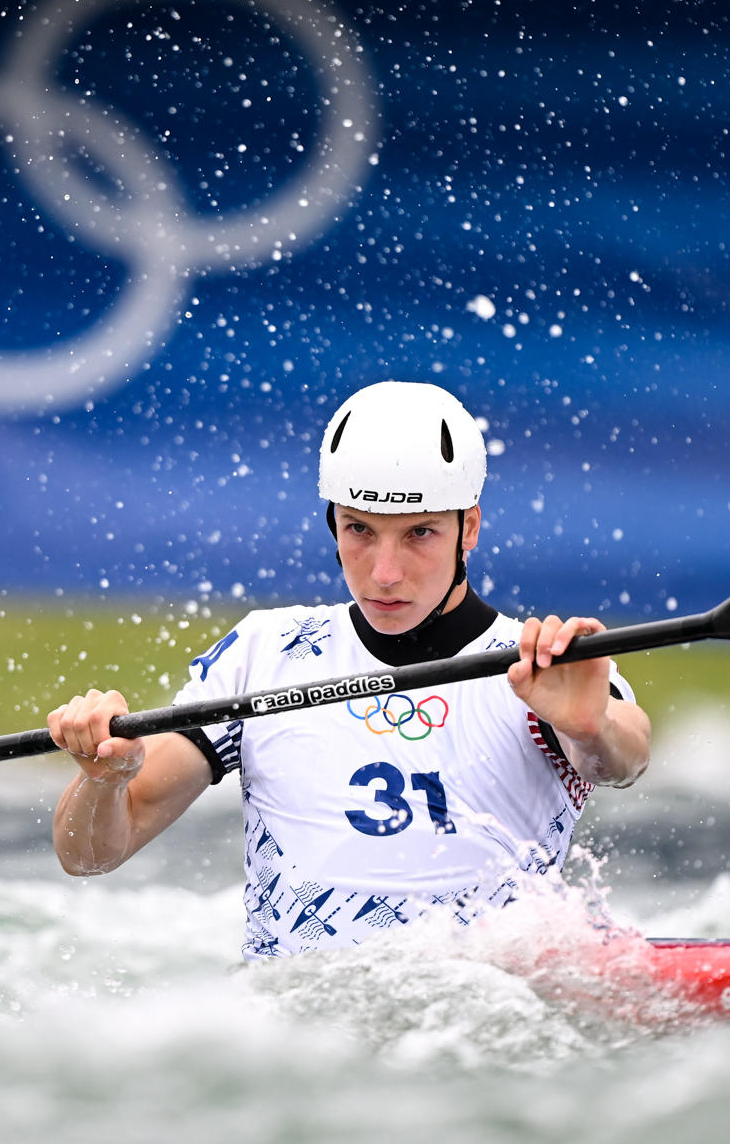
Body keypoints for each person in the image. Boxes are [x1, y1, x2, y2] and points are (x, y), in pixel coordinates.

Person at [46, 380, 651, 958]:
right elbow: (91, 856)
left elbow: (624, 757)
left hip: (475, 1023)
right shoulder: (265, 650)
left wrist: (591, 726)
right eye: (360, 530)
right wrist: (105, 779)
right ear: (331, 520)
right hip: (303, 1033)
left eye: (419, 533)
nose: (384, 572)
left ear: (468, 526)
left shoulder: (543, 663)